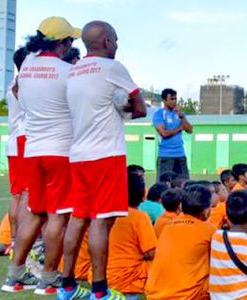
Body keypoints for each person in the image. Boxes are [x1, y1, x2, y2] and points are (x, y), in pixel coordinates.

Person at [60, 20, 148, 300]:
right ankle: (100, 290)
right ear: (108, 41)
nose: (118, 45)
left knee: (78, 218)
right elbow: (140, 107)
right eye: (117, 40)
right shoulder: (112, 68)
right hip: (105, 155)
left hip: (78, 155)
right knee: (100, 221)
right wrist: (124, 109)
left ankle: (67, 285)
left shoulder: (74, 71)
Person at [0, 17, 80, 295]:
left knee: (34, 212)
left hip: (32, 150)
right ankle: (49, 277)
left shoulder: (27, 67)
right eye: (70, 41)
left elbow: (21, 95)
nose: (72, 47)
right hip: (61, 151)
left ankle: (14, 276)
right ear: (62, 43)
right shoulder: (68, 71)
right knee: (58, 216)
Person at [145, 185, 215, 299]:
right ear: (206, 210)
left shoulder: (168, 226)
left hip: (154, 294)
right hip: (186, 296)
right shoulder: (209, 230)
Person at [105, 175, 157, 296]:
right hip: (126, 278)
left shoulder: (105, 215)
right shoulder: (139, 217)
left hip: (99, 275)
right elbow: (151, 252)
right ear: (143, 194)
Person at [5, 47, 29, 256]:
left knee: (17, 195)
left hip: (14, 140)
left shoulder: (13, 83)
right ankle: (19, 241)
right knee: (24, 194)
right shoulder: (23, 83)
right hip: (24, 139)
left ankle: (14, 240)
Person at [153, 88, 193, 182]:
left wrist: (182, 117)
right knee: (163, 186)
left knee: (184, 184)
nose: (174, 101)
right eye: (171, 99)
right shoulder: (159, 114)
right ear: (164, 100)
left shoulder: (180, 114)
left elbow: (190, 130)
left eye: (175, 99)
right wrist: (179, 128)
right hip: (165, 155)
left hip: (180, 154)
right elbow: (164, 133)